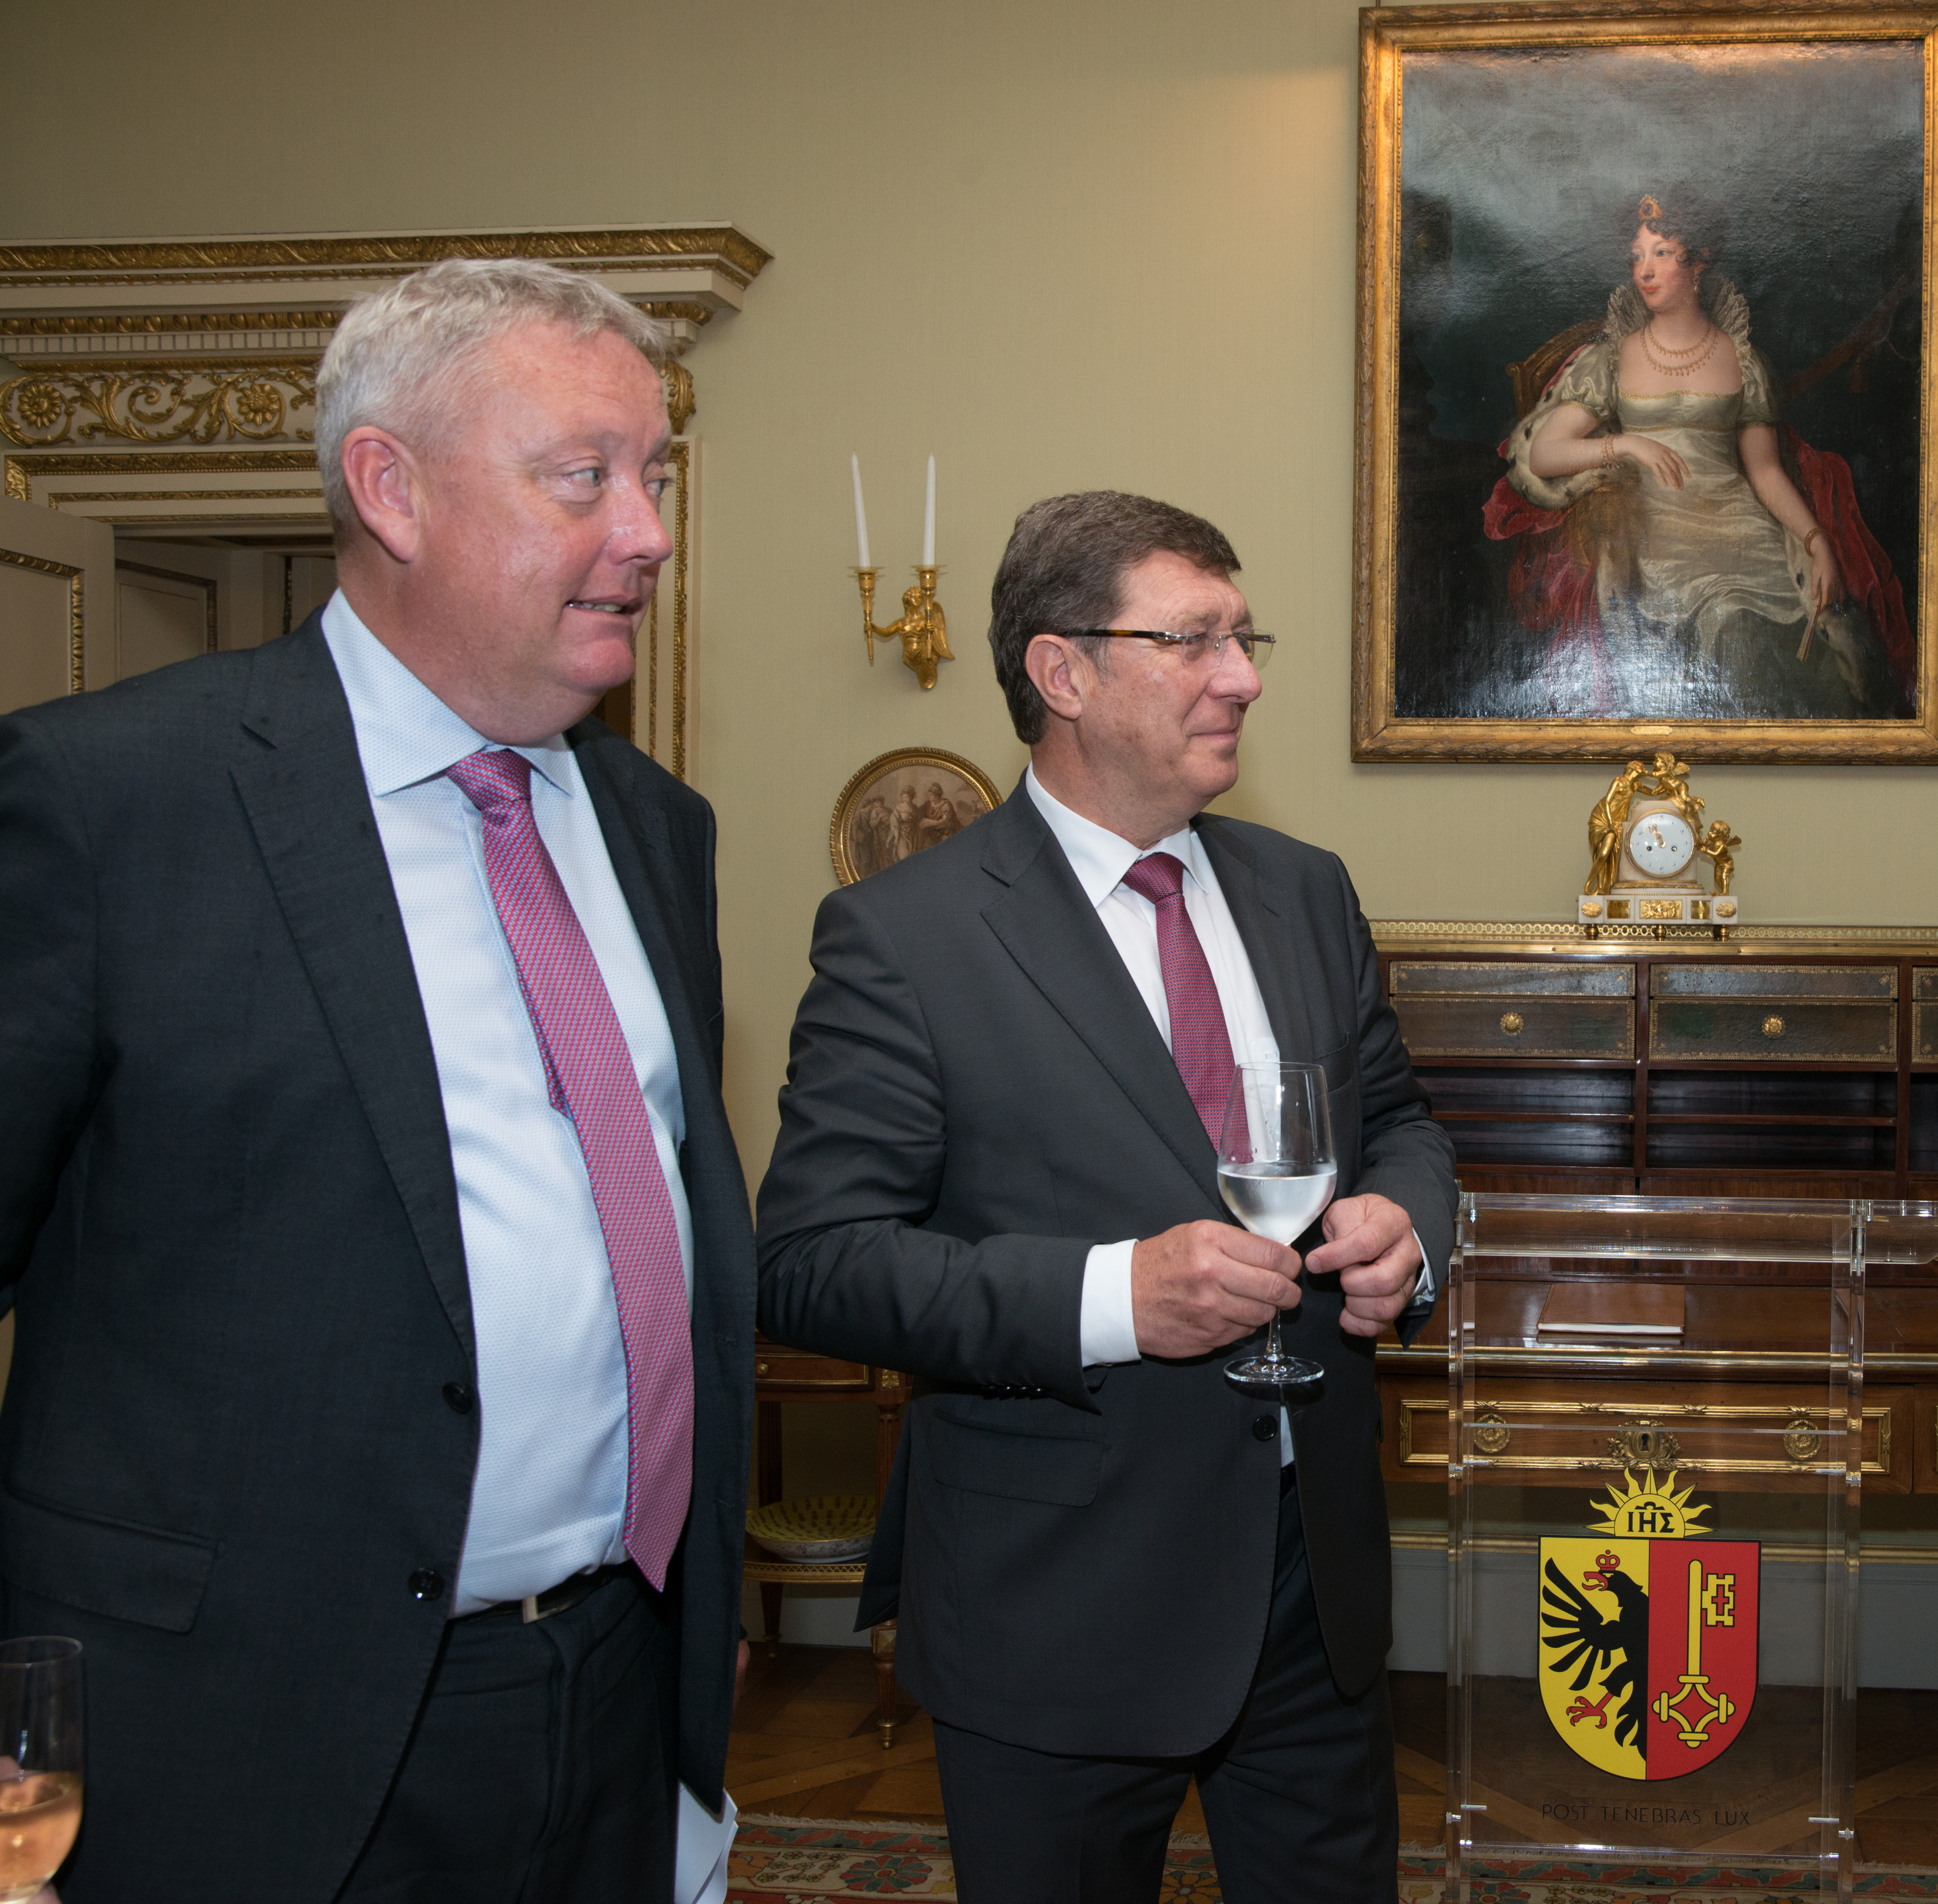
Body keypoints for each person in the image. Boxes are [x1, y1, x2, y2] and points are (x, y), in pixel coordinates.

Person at [0, 258, 755, 1902]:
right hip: (240, 1732)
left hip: (612, 1690)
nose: (646, 531)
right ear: (389, 487)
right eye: (585, 478)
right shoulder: (110, 800)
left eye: (656, 477)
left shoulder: (651, 829)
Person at [756, 490, 1458, 1903]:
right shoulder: (907, 935)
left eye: (1243, 635)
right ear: (1062, 672)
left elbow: (1400, 1125)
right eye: (1194, 638)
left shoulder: (1304, 890)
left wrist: (1408, 1228)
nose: (1246, 673)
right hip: (1053, 1595)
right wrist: (1113, 1299)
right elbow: (814, 1258)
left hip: (1311, 1583)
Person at [1489, 191, 1911, 719]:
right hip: (1662, 537)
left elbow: (1764, 470)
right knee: (1737, 634)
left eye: (1662, 253)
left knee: (1816, 652)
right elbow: (1546, 454)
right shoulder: (1612, 359)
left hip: (1742, 526)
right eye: (1637, 256)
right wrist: (1630, 443)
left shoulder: (1743, 361)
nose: (1645, 270)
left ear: (1700, 260)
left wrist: (1816, 539)